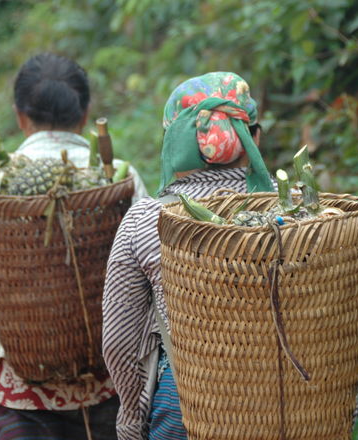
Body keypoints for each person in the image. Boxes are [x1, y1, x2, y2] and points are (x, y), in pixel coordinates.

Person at [0, 52, 148, 440]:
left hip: (22, 384)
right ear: (85, 115)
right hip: (110, 377)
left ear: (21, 117)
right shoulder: (119, 179)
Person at [102, 72, 275, 439]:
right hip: (293, 398)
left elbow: (120, 340)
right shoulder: (304, 214)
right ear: (254, 137)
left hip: (188, 401)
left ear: (173, 144)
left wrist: (132, 421)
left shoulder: (147, 219)